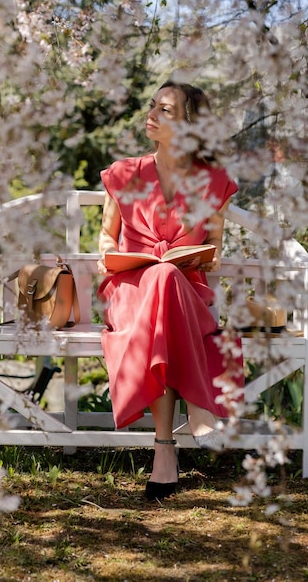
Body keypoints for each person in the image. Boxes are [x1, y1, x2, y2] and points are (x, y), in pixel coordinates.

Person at [97, 80, 243, 501]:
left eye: (165, 110)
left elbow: (214, 253)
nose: (152, 115)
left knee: (166, 279)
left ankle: (164, 452)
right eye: (152, 106)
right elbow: (107, 238)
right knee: (158, 278)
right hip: (130, 290)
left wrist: (197, 258)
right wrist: (111, 254)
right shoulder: (124, 173)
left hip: (184, 290)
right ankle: (200, 405)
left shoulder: (214, 182)